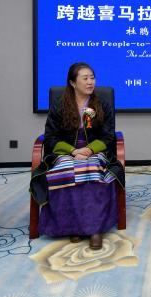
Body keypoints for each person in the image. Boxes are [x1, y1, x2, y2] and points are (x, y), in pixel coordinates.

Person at [40, 62, 118, 249]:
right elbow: (50, 138)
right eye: (85, 78)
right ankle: (73, 225)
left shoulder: (101, 105)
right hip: (67, 151)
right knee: (66, 169)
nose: (90, 82)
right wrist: (73, 151)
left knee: (92, 169)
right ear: (73, 83)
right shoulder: (60, 106)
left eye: (92, 78)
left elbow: (108, 136)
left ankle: (95, 229)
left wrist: (89, 150)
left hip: (95, 151)